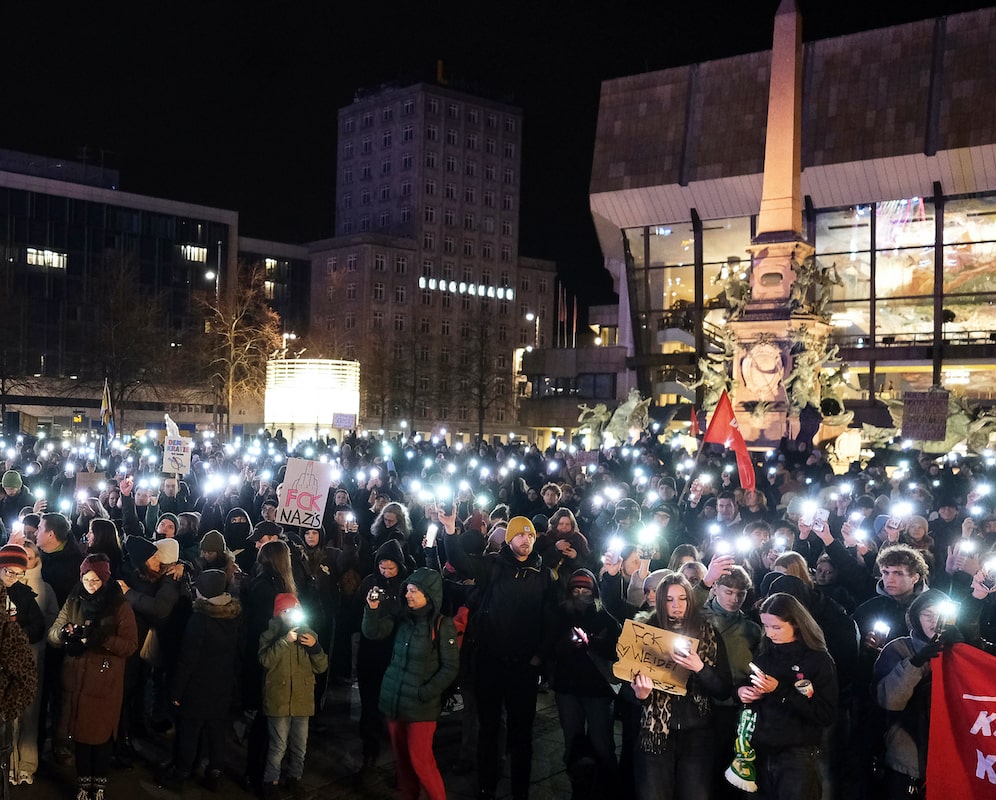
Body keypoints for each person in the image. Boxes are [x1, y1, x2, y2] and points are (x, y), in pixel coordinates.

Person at [443, 514, 559, 800]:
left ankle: (520, 788)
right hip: (491, 663)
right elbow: (460, 561)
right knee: (489, 729)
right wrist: (449, 531)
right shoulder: (493, 565)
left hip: (524, 669)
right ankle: (486, 785)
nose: (526, 540)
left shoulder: (544, 575)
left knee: (522, 735)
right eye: (520, 535)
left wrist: (538, 658)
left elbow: (551, 620)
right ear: (509, 539)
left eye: (530, 536)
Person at [630, 573, 732, 800]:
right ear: (660, 602)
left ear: (690, 600)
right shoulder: (646, 632)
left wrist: (700, 668)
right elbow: (627, 686)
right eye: (669, 600)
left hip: (697, 733)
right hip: (655, 734)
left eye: (682, 599)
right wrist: (640, 694)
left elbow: (724, 689)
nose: (676, 606)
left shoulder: (709, 633)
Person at [362, 567, 459, 800]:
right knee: (403, 762)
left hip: (421, 707)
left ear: (429, 594)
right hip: (394, 700)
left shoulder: (442, 625)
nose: (408, 595)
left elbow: (450, 667)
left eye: (414, 591)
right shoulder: (402, 618)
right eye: (408, 590)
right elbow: (372, 632)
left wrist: (425, 693)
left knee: (421, 762)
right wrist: (372, 609)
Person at [48, 554, 138, 800]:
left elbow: (130, 646)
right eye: (86, 579)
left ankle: (98, 784)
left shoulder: (120, 606)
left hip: (103, 680)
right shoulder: (74, 599)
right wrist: (65, 635)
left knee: (100, 737)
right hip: (77, 678)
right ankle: (82, 783)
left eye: (96, 580)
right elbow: (53, 634)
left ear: (106, 580)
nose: (90, 584)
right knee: (79, 735)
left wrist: (102, 639)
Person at [736, 592, 837, 800]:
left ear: (796, 624)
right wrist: (742, 692)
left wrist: (779, 690)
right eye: (766, 626)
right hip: (760, 749)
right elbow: (746, 684)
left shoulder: (817, 660)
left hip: (797, 753)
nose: (770, 633)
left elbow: (825, 713)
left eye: (777, 627)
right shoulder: (766, 653)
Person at [873, 588, 962, 798]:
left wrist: (964, 648)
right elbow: (890, 700)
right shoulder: (898, 649)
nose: (934, 621)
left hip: (950, 758)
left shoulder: (960, 650)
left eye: (940, 615)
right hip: (907, 760)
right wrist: (916, 663)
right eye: (927, 614)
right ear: (916, 617)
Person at [165, 569, 243, 792]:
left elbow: (187, 660)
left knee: (189, 732)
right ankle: (215, 772)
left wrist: (176, 692)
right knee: (216, 732)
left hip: (197, 688)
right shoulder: (233, 616)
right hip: (222, 686)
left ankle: (182, 773)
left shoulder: (199, 620)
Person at [549, 568, 622, 798]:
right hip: (568, 689)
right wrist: (566, 644)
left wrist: (590, 642)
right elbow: (550, 647)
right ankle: (579, 788)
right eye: (576, 588)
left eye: (585, 589)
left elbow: (616, 650)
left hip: (597, 690)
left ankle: (608, 789)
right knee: (572, 741)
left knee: (602, 743)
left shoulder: (605, 617)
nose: (581, 593)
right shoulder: (560, 613)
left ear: (594, 592)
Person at [258, 593, 328, 798]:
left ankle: (294, 777)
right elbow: (265, 661)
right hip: (278, 700)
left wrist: (315, 648)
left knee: (300, 744)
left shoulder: (308, 635)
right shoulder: (269, 635)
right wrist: (284, 642)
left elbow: (322, 666)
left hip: (302, 699)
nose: (291, 615)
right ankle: (270, 782)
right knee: (278, 745)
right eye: (286, 611)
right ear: (279, 614)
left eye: (295, 610)